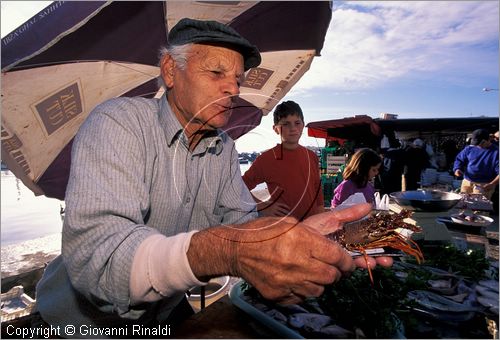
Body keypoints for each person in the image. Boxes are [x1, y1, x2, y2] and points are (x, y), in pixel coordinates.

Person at [34, 18, 391, 337]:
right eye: (217, 73)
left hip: (161, 317)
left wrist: (297, 237)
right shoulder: (118, 123)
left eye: (237, 79)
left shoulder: (222, 149)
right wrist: (227, 250)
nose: (234, 89)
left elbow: (242, 223)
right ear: (171, 71)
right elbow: (104, 262)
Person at [242, 100, 324, 220]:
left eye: (297, 123)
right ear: (275, 129)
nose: (293, 128)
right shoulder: (265, 160)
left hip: (312, 225)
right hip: (283, 228)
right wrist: (263, 206)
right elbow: (239, 187)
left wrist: (321, 218)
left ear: (303, 125)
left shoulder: (312, 156)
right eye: (286, 124)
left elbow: (317, 190)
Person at [453, 128, 499, 200]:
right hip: (467, 182)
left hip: (484, 185)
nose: (477, 146)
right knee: (463, 204)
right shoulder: (469, 148)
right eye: (475, 143)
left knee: (479, 208)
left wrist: (492, 184)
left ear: (487, 140)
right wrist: (457, 169)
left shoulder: (496, 152)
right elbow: (459, 159)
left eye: (479, 143)